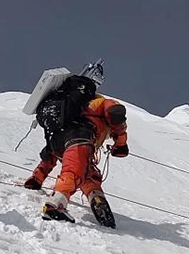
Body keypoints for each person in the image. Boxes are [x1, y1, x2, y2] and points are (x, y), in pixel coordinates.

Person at [23, 60, 128, 227]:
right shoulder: (97, 101)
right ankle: (56, 204)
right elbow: (115, 112)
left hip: (56, 141)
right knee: (74, 171)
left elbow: (49, 155)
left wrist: (36, 178)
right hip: (79, 136)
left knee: (86, 171)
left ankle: (95, 196)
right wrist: (121, 143)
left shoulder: (66, 104)